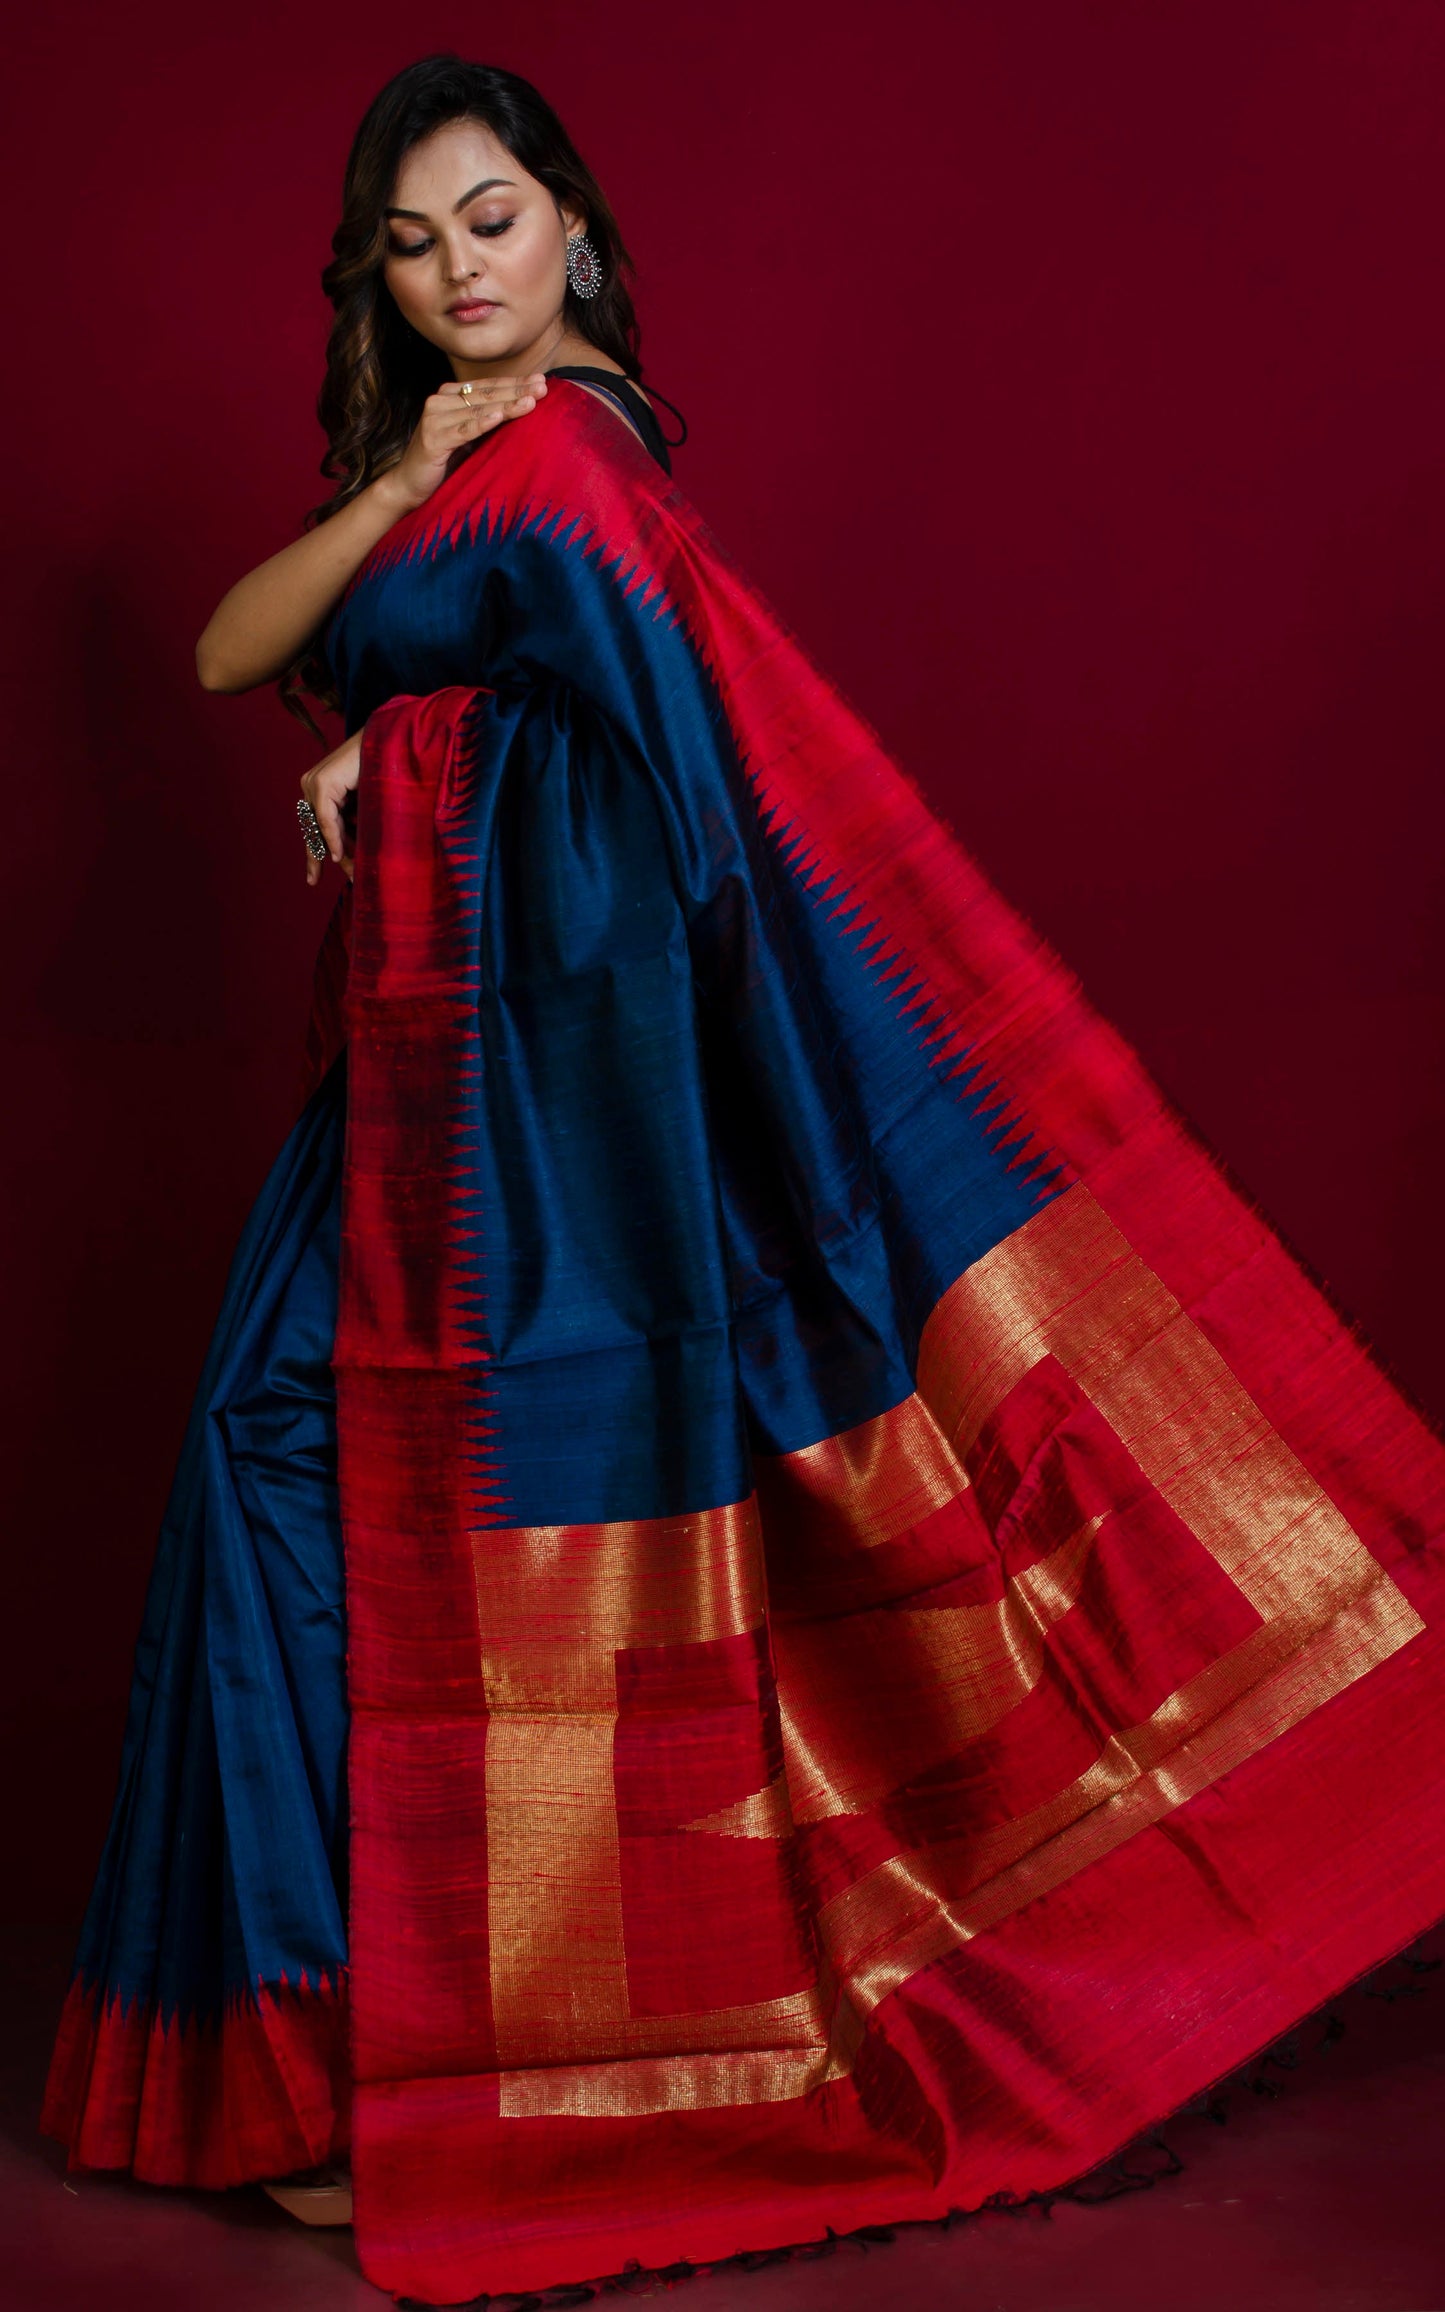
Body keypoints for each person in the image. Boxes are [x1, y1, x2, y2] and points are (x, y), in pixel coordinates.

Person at [41, 51, 1445, 2311]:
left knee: (357, 1495)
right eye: (408, 244)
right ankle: (333, 2068)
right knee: (283, 1473)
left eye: (491, 218)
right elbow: (230, 648)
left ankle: (401, 2084)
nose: (455, 268)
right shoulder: (472, 461)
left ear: (573, 228)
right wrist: (401, 494)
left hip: (534, 1119)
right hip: (416, 1097)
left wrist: (400, 758)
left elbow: (668, 795)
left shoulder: (577, 469)